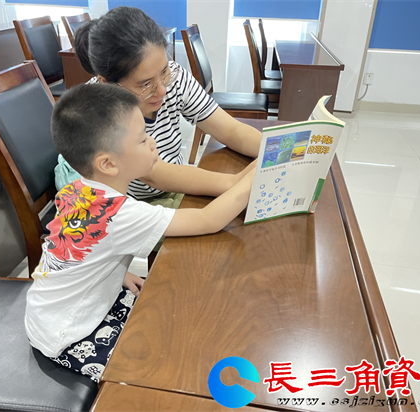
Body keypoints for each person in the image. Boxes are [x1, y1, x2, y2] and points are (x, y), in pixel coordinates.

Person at [25, 83, 255, 382]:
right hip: (68, 336)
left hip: (50, 311)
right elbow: (208, 220)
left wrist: (115, 271)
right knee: (162, 371)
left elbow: (75, 249)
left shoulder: (77, 189)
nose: (152, 143)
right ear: (108, 163)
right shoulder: (120, 213)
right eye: (143, 138)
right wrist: (258, 174)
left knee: (174, 313)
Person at [55, 6, 263, 207]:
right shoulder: (97, 111)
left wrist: (272, 151)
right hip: (130, 206)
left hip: (175, 187)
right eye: (145, 84)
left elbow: (230, 129)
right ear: (106, 83)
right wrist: (234, 182)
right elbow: (153, 174)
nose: (162, 89)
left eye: (164, 71)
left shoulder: (174, 78)